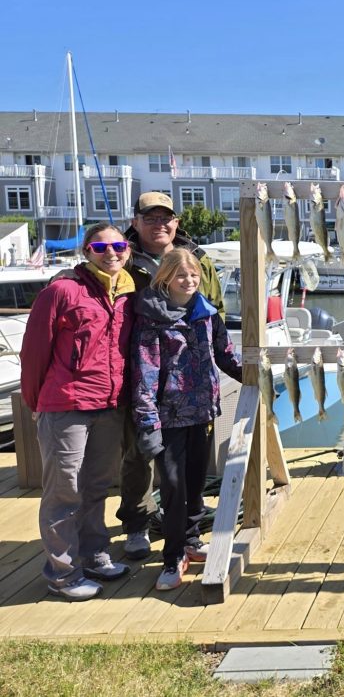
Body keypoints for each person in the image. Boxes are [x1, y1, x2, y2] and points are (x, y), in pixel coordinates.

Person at [21, 223, 135, 600]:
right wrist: (36, 401)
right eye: (101, 246)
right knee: (64, 491)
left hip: (109, 404)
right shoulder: (62, 290)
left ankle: (94, 555)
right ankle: (63, 574)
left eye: (118, 245)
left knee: (96, 486)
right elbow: (35, 352)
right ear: (87, 250)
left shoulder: (127, 293)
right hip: (65, 405)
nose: (111, 252)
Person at [117, 191, 225, 561]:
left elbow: (216, 312)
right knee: (138, 454)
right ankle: (138, 524)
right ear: (136, 222)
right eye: (150, 218)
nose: (159, 224)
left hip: (196, 396)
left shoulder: (200, 259)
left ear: (176, 222)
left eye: (166, 218)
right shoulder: (122, 257)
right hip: (145, 381)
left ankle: (187, 533)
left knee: (190, 474)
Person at [131, 248, 242, 590]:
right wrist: (148, 422)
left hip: (202, 412)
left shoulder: (206, 313)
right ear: (165, 277)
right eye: (181, 275)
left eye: (193, 275)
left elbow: (225, 354)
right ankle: (172, 555)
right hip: (168, 417)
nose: (189, 281)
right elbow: (145, 374)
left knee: (195, 483)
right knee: (174, 488)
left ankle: (191, 540)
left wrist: (252, 377)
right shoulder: (151, 317)